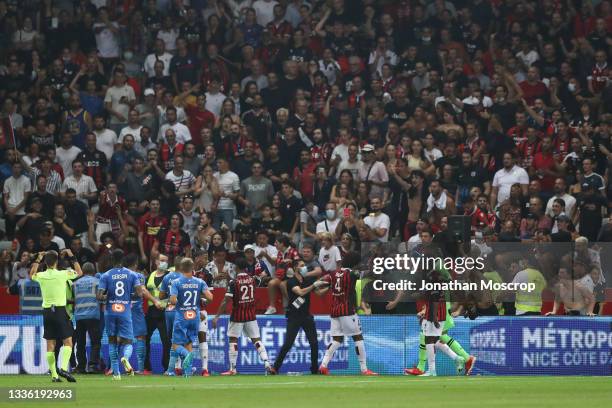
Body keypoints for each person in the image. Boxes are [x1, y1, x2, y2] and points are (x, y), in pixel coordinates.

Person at [317, 252, 377, 376]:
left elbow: (320, 283)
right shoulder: (353, 273)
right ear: (355, 264)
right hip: (347, 311)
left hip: (334, 311)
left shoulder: (333, 274)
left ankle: (323, 365)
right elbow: (368, 272)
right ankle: (364, 369)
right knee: (358, 337)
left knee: (337, 340)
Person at [212, 256, 272, 375]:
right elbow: (263, 278)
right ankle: (267, 363)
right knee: (256, 339)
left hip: (238, 315)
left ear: (236, 267)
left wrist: (217, 316)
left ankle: (233, 369)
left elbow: (226, 300)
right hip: (250, 315)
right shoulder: (253, 279)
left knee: (233, 340)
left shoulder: (233, 283)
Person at [30, 249, 82, 382]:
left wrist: (38, 258)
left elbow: (31, 275)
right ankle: (64, 368)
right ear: (57, 261)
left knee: (50, 344)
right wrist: (72, 255)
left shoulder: (41, 276)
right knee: (68, 342)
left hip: (47, 312)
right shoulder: (63, 274)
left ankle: (54, 375)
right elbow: (79, 272)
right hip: (59, 311)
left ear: (45, 262)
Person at [270, 255, 327, 374]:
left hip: (306, 316)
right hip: (294, 316)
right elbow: (300, 292)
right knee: (288, 344)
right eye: (301, 266)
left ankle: (314, 369)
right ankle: (275, 368)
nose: (304, 267)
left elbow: (320, 293)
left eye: (304, 265)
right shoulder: (291, 281)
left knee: (314, 343)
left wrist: (329, 285)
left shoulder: (307, 280)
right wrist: (313, 286)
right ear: (295, 268)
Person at [97, 249, 144, 380]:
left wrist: (109, 296)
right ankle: (126, 358)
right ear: (123, 260)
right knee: (128, 341)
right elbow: (140, 294)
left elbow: (99, 296)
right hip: (124, 311)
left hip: (110, 311)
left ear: (111, 260)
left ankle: (116, 373)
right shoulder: (132, 274)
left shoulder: (105, 275)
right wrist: (128, 296)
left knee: (112, 340)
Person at [168, 258, 213, 377]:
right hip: (195, 316)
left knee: (176, 344)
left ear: (181, 268)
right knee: (189, 343)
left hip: (182, 316)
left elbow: (173, 300)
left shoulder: (176, 282)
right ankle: (187, 372)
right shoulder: (200, 282)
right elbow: (210, 297)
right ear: (193, 268)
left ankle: (186, 356)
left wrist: (177, 301)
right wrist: (201, 299)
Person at [72, 262, 101, 374]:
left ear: (83, 271)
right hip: (93, 315)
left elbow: (74, 298)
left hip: (79, 316)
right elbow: (101, 297)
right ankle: (93, 366)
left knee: (80, 343)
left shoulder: (76, 283)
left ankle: (81, 367)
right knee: (95, 342)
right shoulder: (97, 282)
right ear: (93, 271)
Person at [158, 258, 184, 375]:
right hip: (181, 311)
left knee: (173, 340)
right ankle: (174, 368)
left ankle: (176, 367)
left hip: (169, 311)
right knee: (181, 340)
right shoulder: (185, 278)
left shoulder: (167, 277)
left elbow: (161, 295)